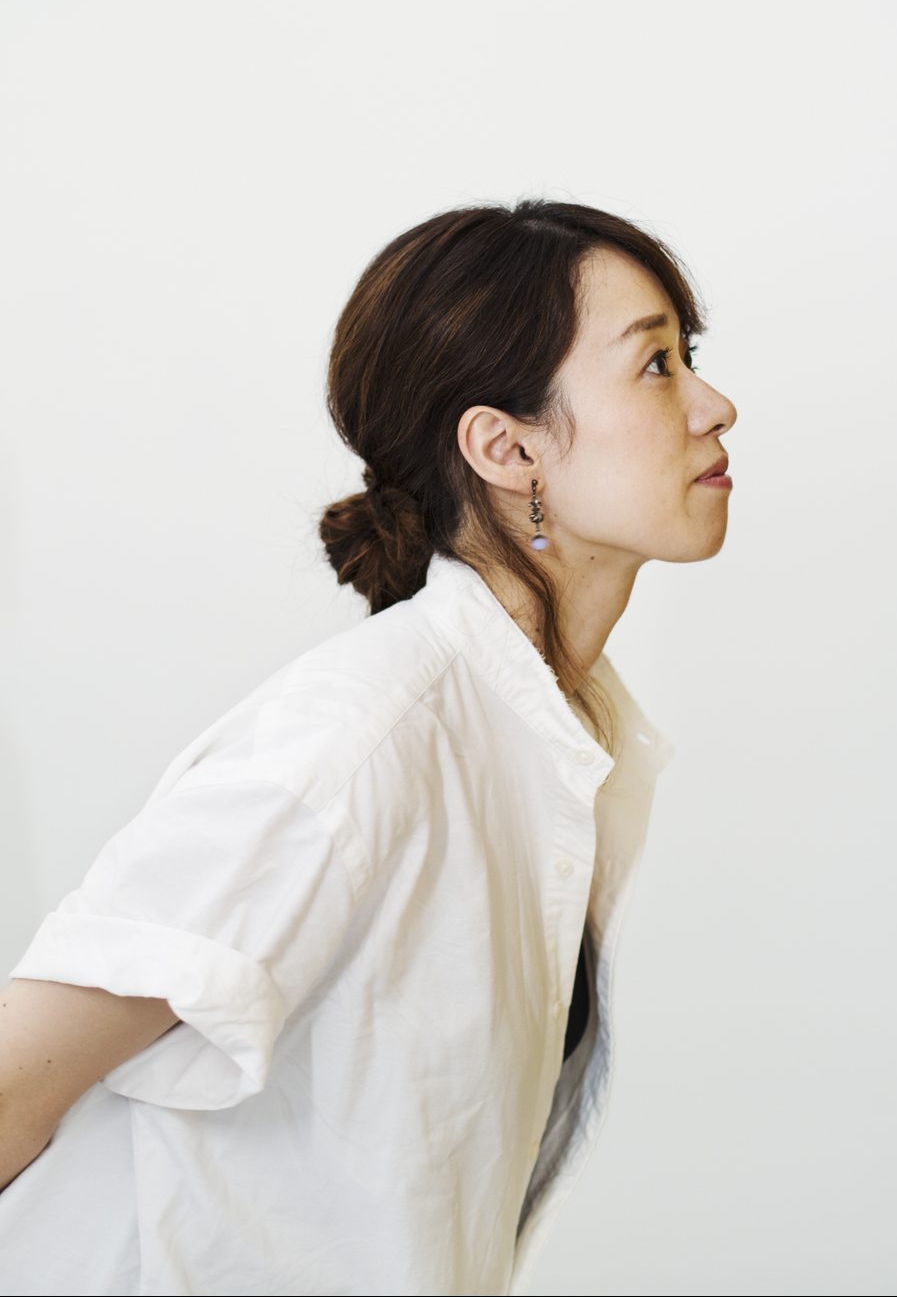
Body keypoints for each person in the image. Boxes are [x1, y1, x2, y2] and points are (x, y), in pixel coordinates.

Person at [0, 198, 737, 1296]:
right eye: (657, 364)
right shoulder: (358, 740)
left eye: (691, 359)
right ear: (506, 447)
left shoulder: (571, 740)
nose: (716, 405)